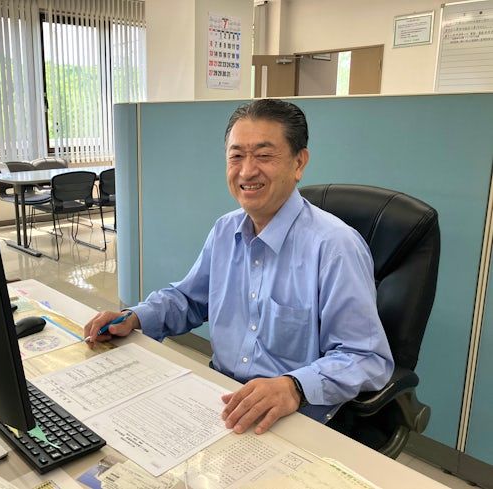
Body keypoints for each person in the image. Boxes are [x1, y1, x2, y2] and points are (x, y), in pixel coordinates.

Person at [84, 99, 394, 435]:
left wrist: (294, 386)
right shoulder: (225, 230)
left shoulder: (334, 246)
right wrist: (135, 317)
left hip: (296, 417)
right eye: (236, 156)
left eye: (264, 155)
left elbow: (366, 357)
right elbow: (189, 299)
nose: (247, 171)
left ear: (299, 163)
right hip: (221, 399)